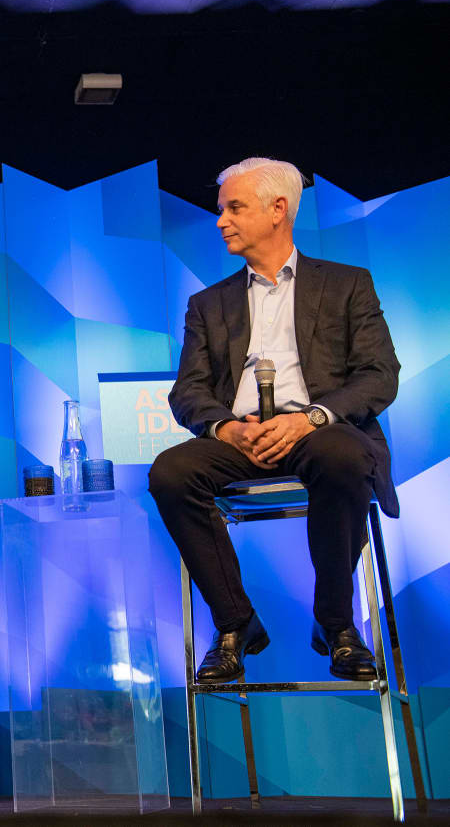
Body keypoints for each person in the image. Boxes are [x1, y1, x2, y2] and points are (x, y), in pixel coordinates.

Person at [149, 157, 400, 684]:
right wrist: (227, 428)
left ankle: (336, 624)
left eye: (233, 208)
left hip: (318, 430)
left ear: (278, 209)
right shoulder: (207, 303)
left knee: (342, 453)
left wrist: (310, 419)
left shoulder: (348, 285)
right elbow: (188, 391)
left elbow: (379, 376)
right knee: (170, 472)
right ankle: (235, 626)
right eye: (221, 210)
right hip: (238, 436)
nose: (221, 221)